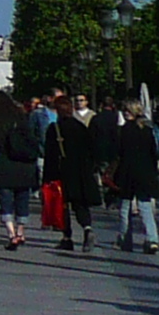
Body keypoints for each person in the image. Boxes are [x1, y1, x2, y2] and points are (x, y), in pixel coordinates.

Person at [0, 87, 38, 250]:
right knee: (22, 198)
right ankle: (21, 232)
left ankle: (11, 233)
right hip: (23, 163)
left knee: (5, 200)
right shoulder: (20, 115)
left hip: (3, 163)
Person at [108, 99, 159, 253]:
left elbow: (118, 152)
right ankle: (152, 239)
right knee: (145, 207)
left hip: (127, 172)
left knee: (125, 207)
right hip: (145, 173)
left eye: (126, 110)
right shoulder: (148, 129)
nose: (124, 113)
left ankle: (125, 239)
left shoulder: (123, 130)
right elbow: (155, 152)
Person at [48, 93, 101, 254]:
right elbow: (91, 149)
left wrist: (48, 178)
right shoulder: (80, 127)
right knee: (80, 204)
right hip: (81, 170)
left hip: (62, 170)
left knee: (63, 205)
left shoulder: (55, 128)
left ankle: (67, 238)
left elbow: (50, 154)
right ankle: (87, 228)